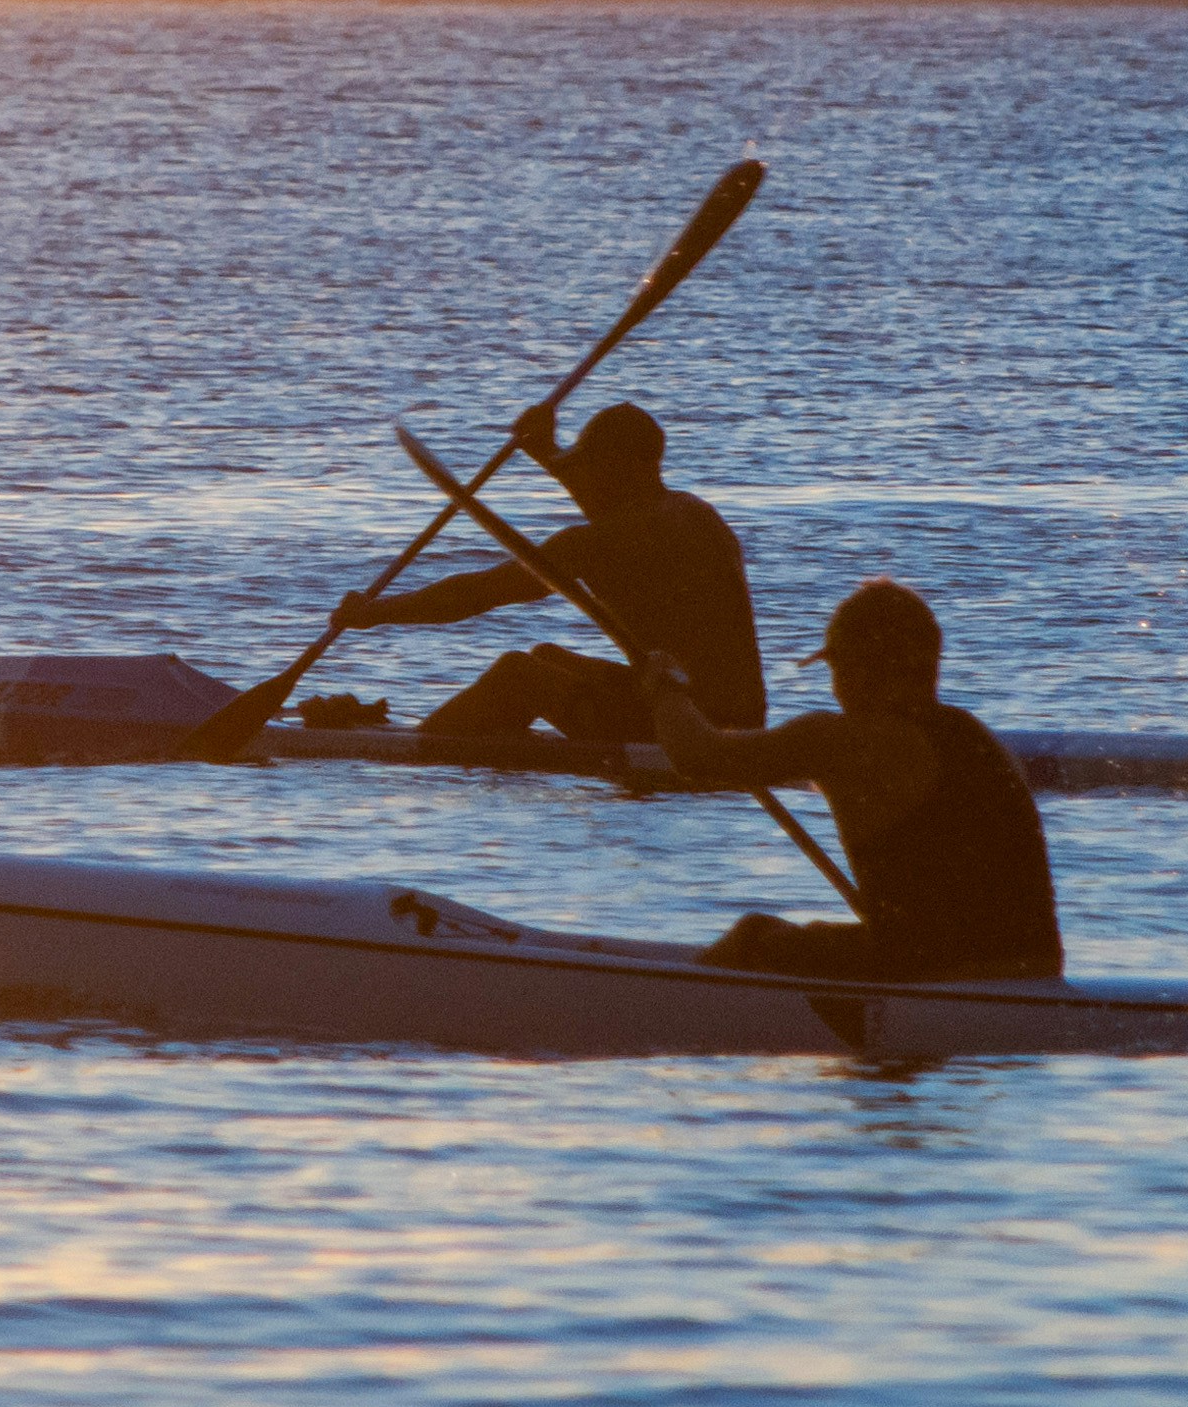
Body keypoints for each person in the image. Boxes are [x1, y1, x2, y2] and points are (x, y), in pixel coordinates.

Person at [643, 576, 1062, 983]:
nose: (836, 690)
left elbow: (698, 754)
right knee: (824, 938)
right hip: (1036, 967)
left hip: (936, 971)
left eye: (837, 668)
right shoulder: (979, 737)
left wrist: (667, 684)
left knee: (755, 937)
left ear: (860, 671)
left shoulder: (842, 740)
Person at [330, 400, 767, 746]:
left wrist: (375, 612)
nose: (587, 478)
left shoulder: (598, 542)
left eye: (597, 467)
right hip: (736, 715)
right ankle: (484, 739)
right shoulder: (695, 513)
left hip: (692, 728)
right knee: (548, 658)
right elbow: (608, 508)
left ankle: (421, 748)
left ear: (625, 469)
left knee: (518, 675)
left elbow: (479, 593)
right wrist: (544, 450)